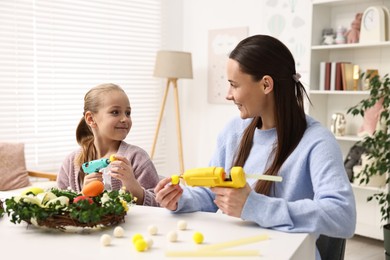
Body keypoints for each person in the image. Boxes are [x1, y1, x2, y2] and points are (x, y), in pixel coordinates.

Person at [154, 35, 356, 258]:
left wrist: (255, 206)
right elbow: (212, 194)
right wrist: (180, 199)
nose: (228, 95)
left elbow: (343, 216)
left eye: (234, 85)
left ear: (266, 84)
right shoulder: (233, 131)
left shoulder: (317, 142)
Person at [58, 83, 160, 206]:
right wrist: (83, 195)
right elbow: (60, 204)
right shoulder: (71, 162)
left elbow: (159, 204)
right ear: (90, 119)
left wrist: (133, 185)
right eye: (115, 112)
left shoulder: (137, 157)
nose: (125, 119)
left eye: (128, 113)